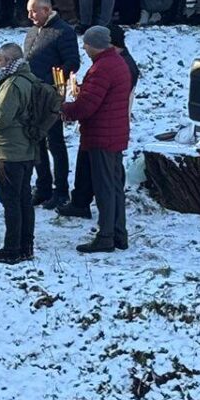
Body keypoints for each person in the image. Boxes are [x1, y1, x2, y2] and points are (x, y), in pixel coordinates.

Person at [63, 25, 133, 253]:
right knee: (114, 187)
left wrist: (65, 108)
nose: (83, 47)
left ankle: (106, 236)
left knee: (104, 189)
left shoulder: (102, 68)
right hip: (114, 133)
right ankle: (119, 234)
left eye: (86, 44)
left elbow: (87, 106)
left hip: (102, 135)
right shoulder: (116, 63)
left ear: (94, 45)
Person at [0, 41, 44, 263]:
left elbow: (1, 117)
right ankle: (26, 246)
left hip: (10, 151)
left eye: (1, 60)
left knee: (12, 201)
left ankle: (12, 248)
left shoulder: (12, 84)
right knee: (24, 199)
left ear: (10, 61)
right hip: (24, 149)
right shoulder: (28, 79)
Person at [22, 0, 78, 209]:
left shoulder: (63, 32)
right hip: (32, 95)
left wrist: (52, 83)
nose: (30, 16)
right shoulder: (32, 32)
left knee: (55, 143)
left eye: (33, 11)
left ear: (46, 10)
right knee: (36, 142)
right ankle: (43, 186)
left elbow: (72, 62)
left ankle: (61, 190)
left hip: (51, 96)